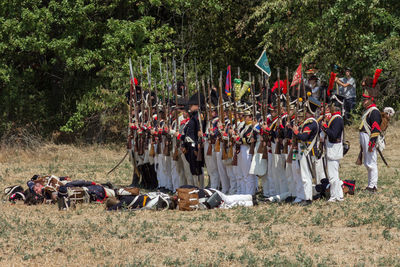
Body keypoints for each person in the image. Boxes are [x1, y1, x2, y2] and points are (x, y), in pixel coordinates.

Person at [291, 96, 320, 206]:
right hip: (304, 151)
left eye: (305, 110)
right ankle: (303, 196)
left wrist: (296, 132)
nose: (303, 113)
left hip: (307, 152)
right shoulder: (308, 122)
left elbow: (304, 137)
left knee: (305, 176)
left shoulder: (311, 123)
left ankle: (308, 198)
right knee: (303, 175)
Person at [359, 77, 381, 193]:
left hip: (369, 140)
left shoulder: (374, 111)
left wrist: (371, 143)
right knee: (368, 163)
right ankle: (370, 185)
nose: (363, 102)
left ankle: (373, 186)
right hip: (365, 139)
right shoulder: (368, 111)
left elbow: (376, 129)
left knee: (371, 163)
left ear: (371, 100)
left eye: (365, 100)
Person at [321, 95, 345, 202]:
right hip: (333, 148)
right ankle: (339, 195)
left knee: (332, 175)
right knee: (334, 173)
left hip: (334, 149)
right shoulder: (336, 118)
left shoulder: (337, 119)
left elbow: (334, 135)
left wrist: (325, 127)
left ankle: (334, 196)